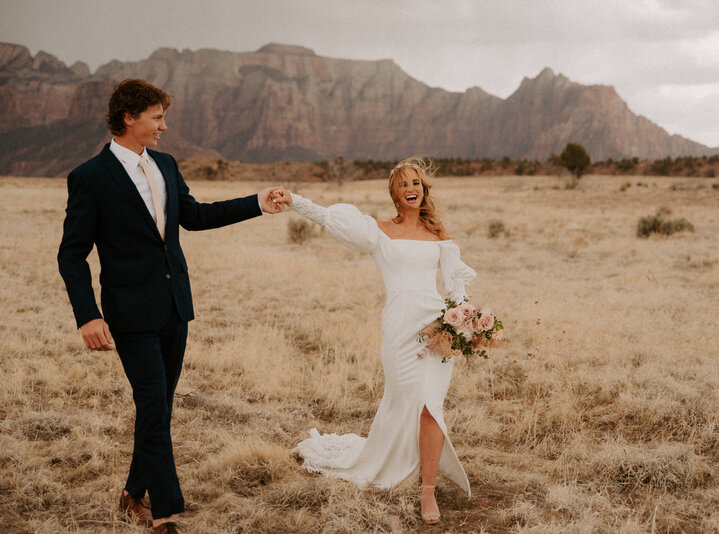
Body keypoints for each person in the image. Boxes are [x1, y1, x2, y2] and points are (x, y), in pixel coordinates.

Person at [57, 79, 283, 534]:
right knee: (153, 404)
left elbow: (196, 216)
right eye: (157, 117)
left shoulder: (165, 164)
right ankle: (164, 512)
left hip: (175, 306)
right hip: (128, 313)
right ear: (129, 118)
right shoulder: (89, 177)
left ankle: (130, 494)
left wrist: (257, 203)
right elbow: (71, 253)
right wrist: (87, 315)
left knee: (159, 405)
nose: (165, 125)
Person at [270, 157, 475, 525]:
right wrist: (294, 200)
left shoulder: (439, 237)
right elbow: (328, 218)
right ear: (394, 194)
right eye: (402, 184)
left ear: (423, 189)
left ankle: (428, 491)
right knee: (404, 403)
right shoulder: (376, 232)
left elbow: (456, 285)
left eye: (416, 182)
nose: (410, 188)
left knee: (431, 407)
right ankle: (393, 462)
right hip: (399, 331)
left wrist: (455, 324)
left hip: (437, 332)